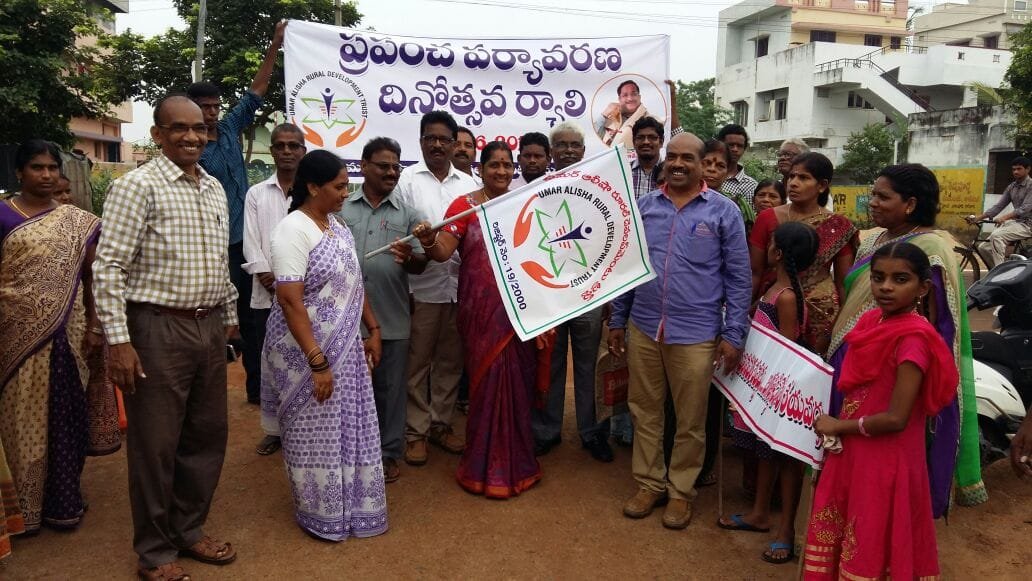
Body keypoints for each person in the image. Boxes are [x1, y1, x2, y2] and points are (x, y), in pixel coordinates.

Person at [94, 96, 239, 580]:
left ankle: (189, 530)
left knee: (206, 435)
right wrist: (119, 341)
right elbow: (109, 266)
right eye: (178, 129)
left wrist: (229, 314)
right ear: (157, 135)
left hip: (208, 325)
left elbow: (218, 262)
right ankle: (155, 551)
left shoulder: (214, 188)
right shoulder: (138, 187)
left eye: (198, 129)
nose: (191, 137)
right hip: (156, 328)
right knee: (156, 444)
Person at [608, 133, 751, 529]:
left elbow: (739, 279)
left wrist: (733, 334)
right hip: (644, 326)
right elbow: (628, 269)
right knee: (645, 410)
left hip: (697, 332)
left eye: (687, 157)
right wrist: (619, 319)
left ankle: (680, 492)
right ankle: (649, 484)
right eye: (672, 156)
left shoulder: (724, 212)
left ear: (703, 164)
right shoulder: (644, 207)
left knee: (690, 419)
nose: (677, 163)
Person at [827, 163, 986, 512]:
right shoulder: (877, 238)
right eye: (873, 194)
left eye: (883, 197)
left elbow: (939, 325)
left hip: (890, 372)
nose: (873, 202)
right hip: (854, 358)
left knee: (879, 461)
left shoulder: (932, 248)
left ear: (910, 204)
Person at [804, 242, 958, 580]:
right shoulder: (871, 321)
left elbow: (896, 419)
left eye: (900, 279)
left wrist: (836, 426)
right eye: (878, 278)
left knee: (873, 539)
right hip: (856, 451)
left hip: (886, 460)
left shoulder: (914, 339)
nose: (886, 287)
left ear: (924, 287)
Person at [262, 149, 388, 541]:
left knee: (350, 425)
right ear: (313, 187)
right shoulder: (293, 229)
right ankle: (321, 512)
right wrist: (317, 360)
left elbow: (354, 282)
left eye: (346, 186)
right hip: (303, 353)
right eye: (338, 187)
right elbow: (289, 299)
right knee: (315, 431)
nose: (344, 193)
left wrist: (373, 328)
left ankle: (353, 505)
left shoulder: (337, 226)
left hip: (347, 348)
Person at [412, 141, 551, 498]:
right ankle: (481, 463)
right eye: (494, 165)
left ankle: (517, 462)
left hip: (519, 311)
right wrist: (428, 242)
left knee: (516, 387)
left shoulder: (523, 205)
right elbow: (443, 253)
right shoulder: (465, 206)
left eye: (507, 166)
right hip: (480, 313)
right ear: (481, 167)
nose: (502, 172)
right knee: (485, 385)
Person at [0, 140, 102, 535]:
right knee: (15, 421)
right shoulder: (4, 216)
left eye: (50, 168)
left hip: (69, 334)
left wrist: (95, 327)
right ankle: (22, 508)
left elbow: (94, 278)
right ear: (19, 172)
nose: (45, 175)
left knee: (66, 417)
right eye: (36, 168)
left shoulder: (77, 222)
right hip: (13, 337)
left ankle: (63, 501)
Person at [190, 20, 285, 408]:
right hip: (213, 248)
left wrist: (275, 43)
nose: (211, 113)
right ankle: (205, 386)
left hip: (246, 243)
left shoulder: (229, 128)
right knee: (215, 316)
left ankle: (257, 389)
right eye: (204, 108)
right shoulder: (191, 148)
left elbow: (258, 88)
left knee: (252, 316)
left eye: (214, 106)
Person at [718, 222, 819, 566]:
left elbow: (788, 350)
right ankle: (760, 513)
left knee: (786, 461)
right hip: (762, 390)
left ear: (777, 253)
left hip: (779, 394)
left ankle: (786, 531)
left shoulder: (787, 297)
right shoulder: (773, 288)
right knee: (765, 454)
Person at [337, 137, 428, 483]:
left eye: (396, 166)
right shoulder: (341, 207)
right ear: (363, 165)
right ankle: (350, 452)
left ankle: (388, 453)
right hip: (344, 318)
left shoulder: (408, 214)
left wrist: (412, 259)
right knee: (349, 389)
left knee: (390, 390)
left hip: (391, 318)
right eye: (383, 165)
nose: (391, 172)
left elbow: (420, 265)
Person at [394, 111, 479, 466]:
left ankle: (441, 425)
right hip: (420, 287)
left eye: (446, 139)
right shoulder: (407, 181)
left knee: (450, 363)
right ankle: (415, 433)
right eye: (431, 138)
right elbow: (398, 233)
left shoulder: (468, 184)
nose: (439, 145)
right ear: (421, 141)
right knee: (417, 365)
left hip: (460, 288)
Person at [532, 123, 611, 462]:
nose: (567, 150)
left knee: (587, 365)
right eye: (560, 145)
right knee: (549, 366)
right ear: (551, 153)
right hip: (550, 296)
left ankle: (591, 432)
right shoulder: (534, 190)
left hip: (589, 294)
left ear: (583, 151)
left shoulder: (599, 189)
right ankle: (547, 432)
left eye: (573, 145)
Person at [750, 152, 857, 355]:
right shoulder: (767, 218)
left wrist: (843, 325)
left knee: (808, 370)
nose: (793, 183)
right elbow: (755, 271)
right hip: (774, 303)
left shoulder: (838, 226)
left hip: (821, 311)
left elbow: (844, 283)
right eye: (791, 176)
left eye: (803, 178)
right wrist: (746, 310)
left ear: (822, 185)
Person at [243, 123, 306, 455]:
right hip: (266, 295)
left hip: (305, 299)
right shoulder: (257, 194)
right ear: (272, 151)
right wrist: (269, 275)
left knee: (304, 362)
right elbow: (252, 245)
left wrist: (295, 287)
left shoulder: (312, 193)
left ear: (303, 151)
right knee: (273, 365)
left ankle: (302, 426)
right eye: (280, 145)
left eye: (293, 145)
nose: (286, 151)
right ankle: (275, 430)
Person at [967, 156, 1032, 268]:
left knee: (997, 236)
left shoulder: (1031, 186)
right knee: (983, 247)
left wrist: (1004, 218)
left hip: (1028, 225)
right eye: (1013, 169)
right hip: (1017, 223)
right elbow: (998, 207)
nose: (1015, 172)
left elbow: (1025, 208)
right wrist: (978, 218)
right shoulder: (1012, 187)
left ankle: (1001, 277)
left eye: (1019, 169)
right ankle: (996, 273)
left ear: (1028, 169)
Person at [596, 79, 680, 150]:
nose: (630, 98)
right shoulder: (609, 121)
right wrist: (604, 114)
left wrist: (671, 98)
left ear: (639, 97)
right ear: (619, 99)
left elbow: (678, 136)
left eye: (633, 94)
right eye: (625, 95)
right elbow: (591, 141)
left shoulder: (653, 121)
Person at [718, 124, 758, 205]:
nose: (735, 149)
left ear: (744, 149)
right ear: (719, 145)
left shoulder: (751, 186)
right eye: (731, 145)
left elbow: (751, 217)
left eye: (739, 146)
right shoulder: (705, 175)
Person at [630, 116, 666, 200]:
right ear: (634, 141)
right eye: (640, 137)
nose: (646, 142)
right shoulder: (623, 172)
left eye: (652, 137)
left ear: (661, 142)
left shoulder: (669, 173)